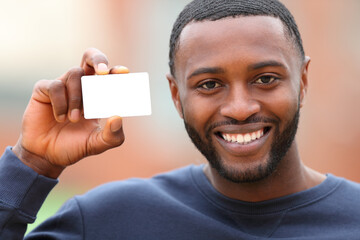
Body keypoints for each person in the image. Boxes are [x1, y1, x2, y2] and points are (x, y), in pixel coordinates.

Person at [1, 0, 359, 239]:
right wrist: (32, 162)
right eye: (209, 84)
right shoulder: (109, 220)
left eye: (265, 79)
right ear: (176, 96)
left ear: (303, 81)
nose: (239, 107)